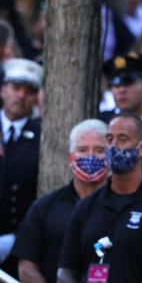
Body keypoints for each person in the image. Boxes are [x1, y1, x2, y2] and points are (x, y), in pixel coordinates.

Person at [58, 114, 142, 283]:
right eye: (109, 139)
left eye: (122, 140)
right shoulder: (86, 206)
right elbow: (66, 272)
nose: (113, 146)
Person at [11, 119, 109, 283]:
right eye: (82, 150)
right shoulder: (43, 208)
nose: (90, 156)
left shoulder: (126, 208)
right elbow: (26, 268)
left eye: (100, 150)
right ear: (71, 158)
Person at [0, 58, 43, 277]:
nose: (20, 96)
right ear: (3, 90)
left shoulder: (42, 136)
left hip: (19, 243)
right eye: (16, 88)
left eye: (28, 91)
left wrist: (15, 237)